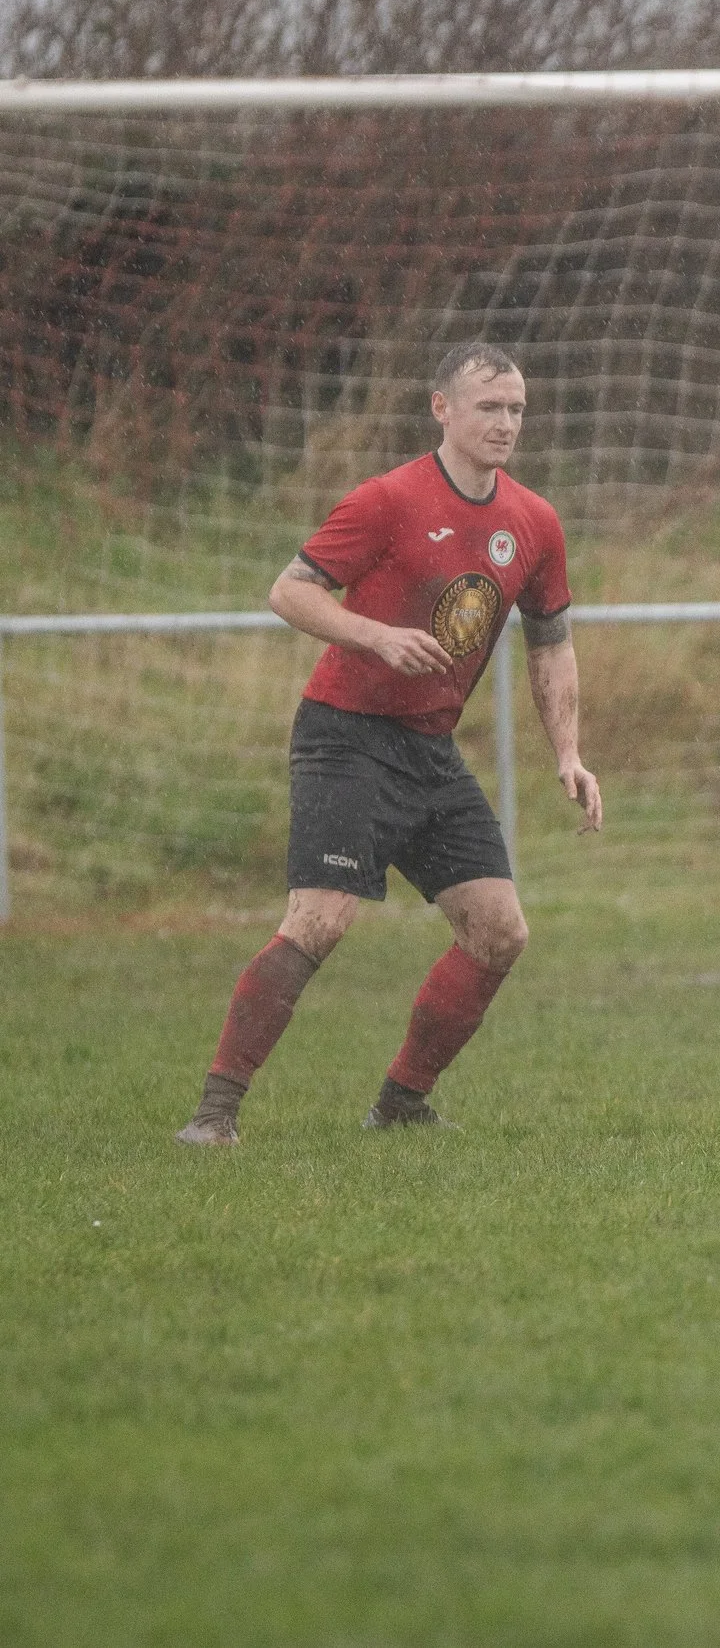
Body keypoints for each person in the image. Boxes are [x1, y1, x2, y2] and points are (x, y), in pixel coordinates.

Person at [176, 342, 602, 1145]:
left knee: (500, 930)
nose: (505, 423)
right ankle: (215, 1114)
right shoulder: (386, 499)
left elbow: (551, 642)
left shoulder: (535, 521)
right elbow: (289, 591)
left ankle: (401, 1103)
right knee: (321, 920)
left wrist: (568, 754)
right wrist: (375, 636)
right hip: (345, 737)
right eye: (488, 407)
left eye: (515, 409)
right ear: (442, 408)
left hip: (429, 751)